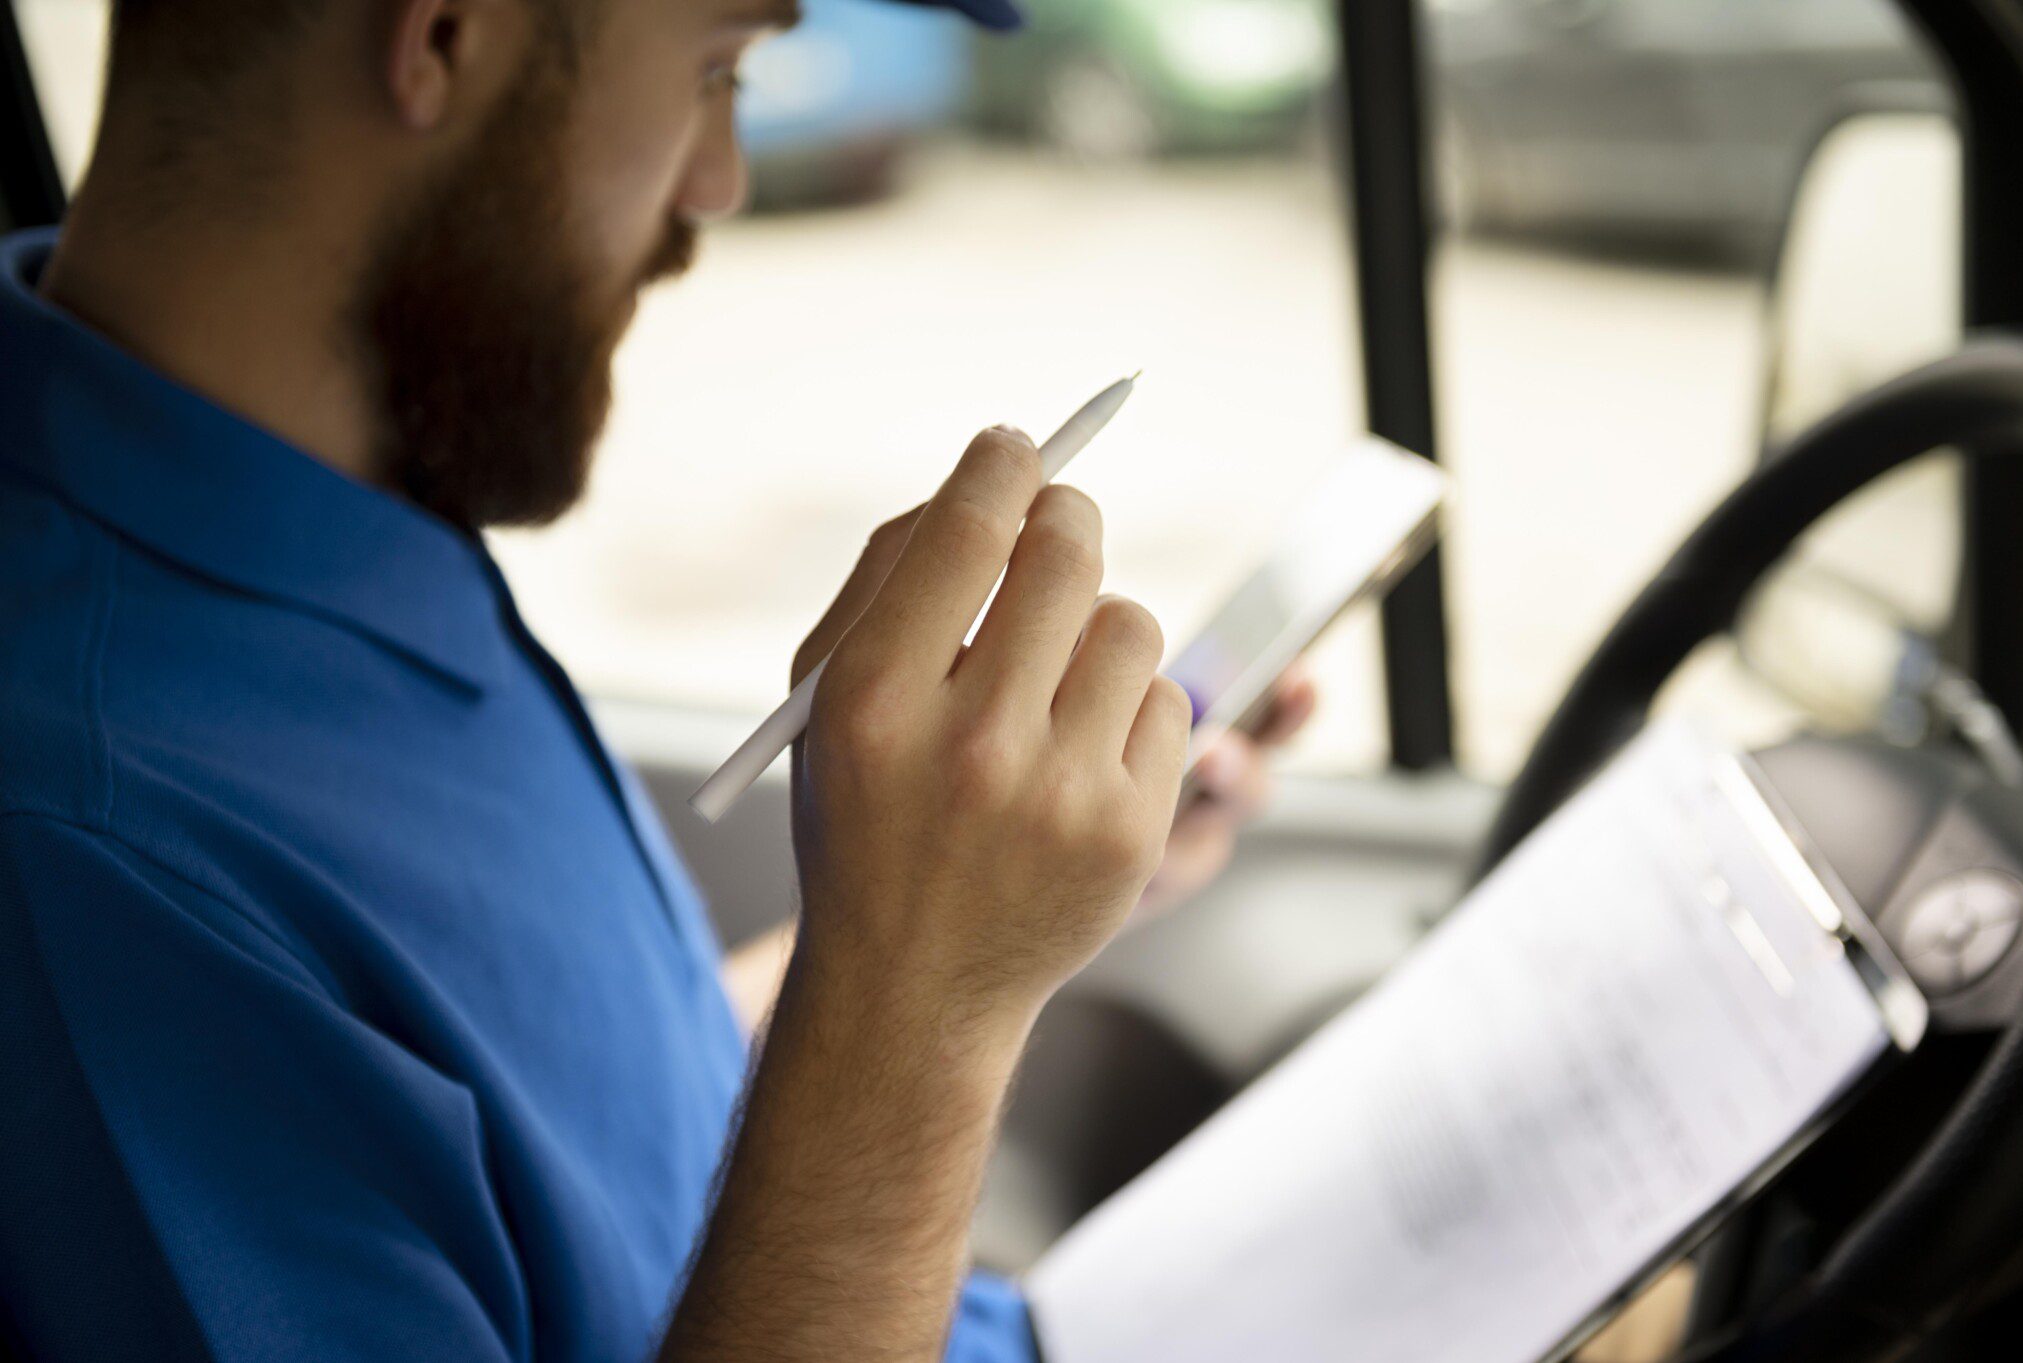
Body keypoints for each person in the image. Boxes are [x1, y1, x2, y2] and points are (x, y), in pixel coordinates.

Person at [0, 1, 1315, 1360]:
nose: (721, 185)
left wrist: (966, 907)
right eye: (719, 68)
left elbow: (602, 1116)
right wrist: (921, 1012)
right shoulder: (95, 856)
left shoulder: (331, 524)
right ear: (442, 36)